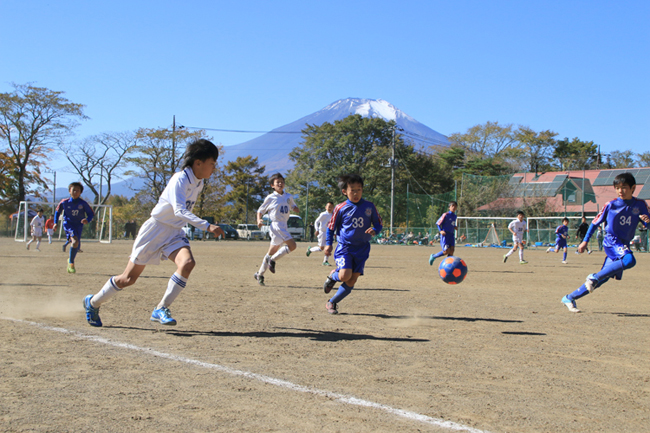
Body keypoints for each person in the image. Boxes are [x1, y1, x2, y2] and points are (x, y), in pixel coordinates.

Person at [82, 139, 224, 327]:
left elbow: (180, 216)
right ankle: (93, 303)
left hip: (174, 232)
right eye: (212, 163)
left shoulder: (198, 182)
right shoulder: (179, 179)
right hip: (155, 230)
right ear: (198, 162)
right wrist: (207, 225)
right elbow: (179, 211)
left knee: (188, 263)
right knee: (128, 279)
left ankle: (161, 308)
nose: (214, 168)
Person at [561, 172, 650, 313]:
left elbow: (648, 224)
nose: (620, 191)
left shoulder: (640, 204)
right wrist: (585, 241)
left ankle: (569, 297)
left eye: (624, 187)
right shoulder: (611, 205)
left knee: (603, 278)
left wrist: (648, 222)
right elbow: (594, 223)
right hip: (612, 241)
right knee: (629, 260)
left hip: (623, 243)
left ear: (633, 188)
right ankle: (593, 276)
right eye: (617, 188)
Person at [322, 174, 382, 314]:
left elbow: (378, 224)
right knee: (344, 276)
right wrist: (328, 244)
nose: (356, 193)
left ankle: (332, 302)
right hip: (345, 247)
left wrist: (375, 230)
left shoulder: (369, 206)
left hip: (362, 248)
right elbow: (331, 228)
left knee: (352, 280)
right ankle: (333, 276)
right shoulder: (340, 208)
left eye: (359, 189)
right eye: (352, 190)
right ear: (345, 191)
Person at [253, 173, 300, 286]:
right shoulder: (270, 197)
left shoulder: (288, 196)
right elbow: (260, 210)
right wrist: (259, 220)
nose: (280, 183)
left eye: (282, 182)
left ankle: (260, 274)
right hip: (276, 225)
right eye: (277, 182)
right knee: (292, 246)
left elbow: (293, 206)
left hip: (284, 224)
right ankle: (272, 260)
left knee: (271, 252)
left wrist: (295, 208)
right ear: (272, 185)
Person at [54, 183, 95, 273]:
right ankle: (71, 263)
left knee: (76, 245)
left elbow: (91, 213)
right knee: (75, 241)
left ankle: (70, 260)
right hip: (68, 224)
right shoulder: (64, 202)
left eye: (78, 190)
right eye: (74, 190)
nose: (75, 192)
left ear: (80, 192)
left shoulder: (83, 203)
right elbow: (57, 212)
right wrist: (55, 223)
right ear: (69, 191)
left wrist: (87, 219)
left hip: (79, 225)